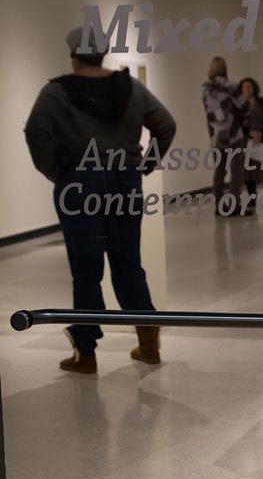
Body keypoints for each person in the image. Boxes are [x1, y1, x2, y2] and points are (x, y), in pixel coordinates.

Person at [24, 26, 176, 373]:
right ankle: (148, 343)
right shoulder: (130, 87)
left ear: (73, 55)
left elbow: (36, 131)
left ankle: (86, 351)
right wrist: (146, 163)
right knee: (128, 260)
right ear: (103, 53)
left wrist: (57, 171)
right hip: (125, 180)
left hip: (80, 181)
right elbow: (166, 125)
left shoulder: (57, 91)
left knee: (86, 267)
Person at [202, 56, 249, 216]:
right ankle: (234, 205)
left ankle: (219, 206)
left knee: (219, 170)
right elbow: (244, 104)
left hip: (215, 137)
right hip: (233, 134)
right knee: (236, 170)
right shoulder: (231, 86)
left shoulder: (206, 90)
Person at [239, 76, 263, 209]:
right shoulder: (240, 104)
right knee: (249, 172)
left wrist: (260, 132)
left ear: (254, 88)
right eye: (244, 87)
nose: (247, 89)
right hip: (246, 141)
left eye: (250, 87)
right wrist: (250, 133)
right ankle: (252, 199)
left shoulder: (261, 101)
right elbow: (238, 124)